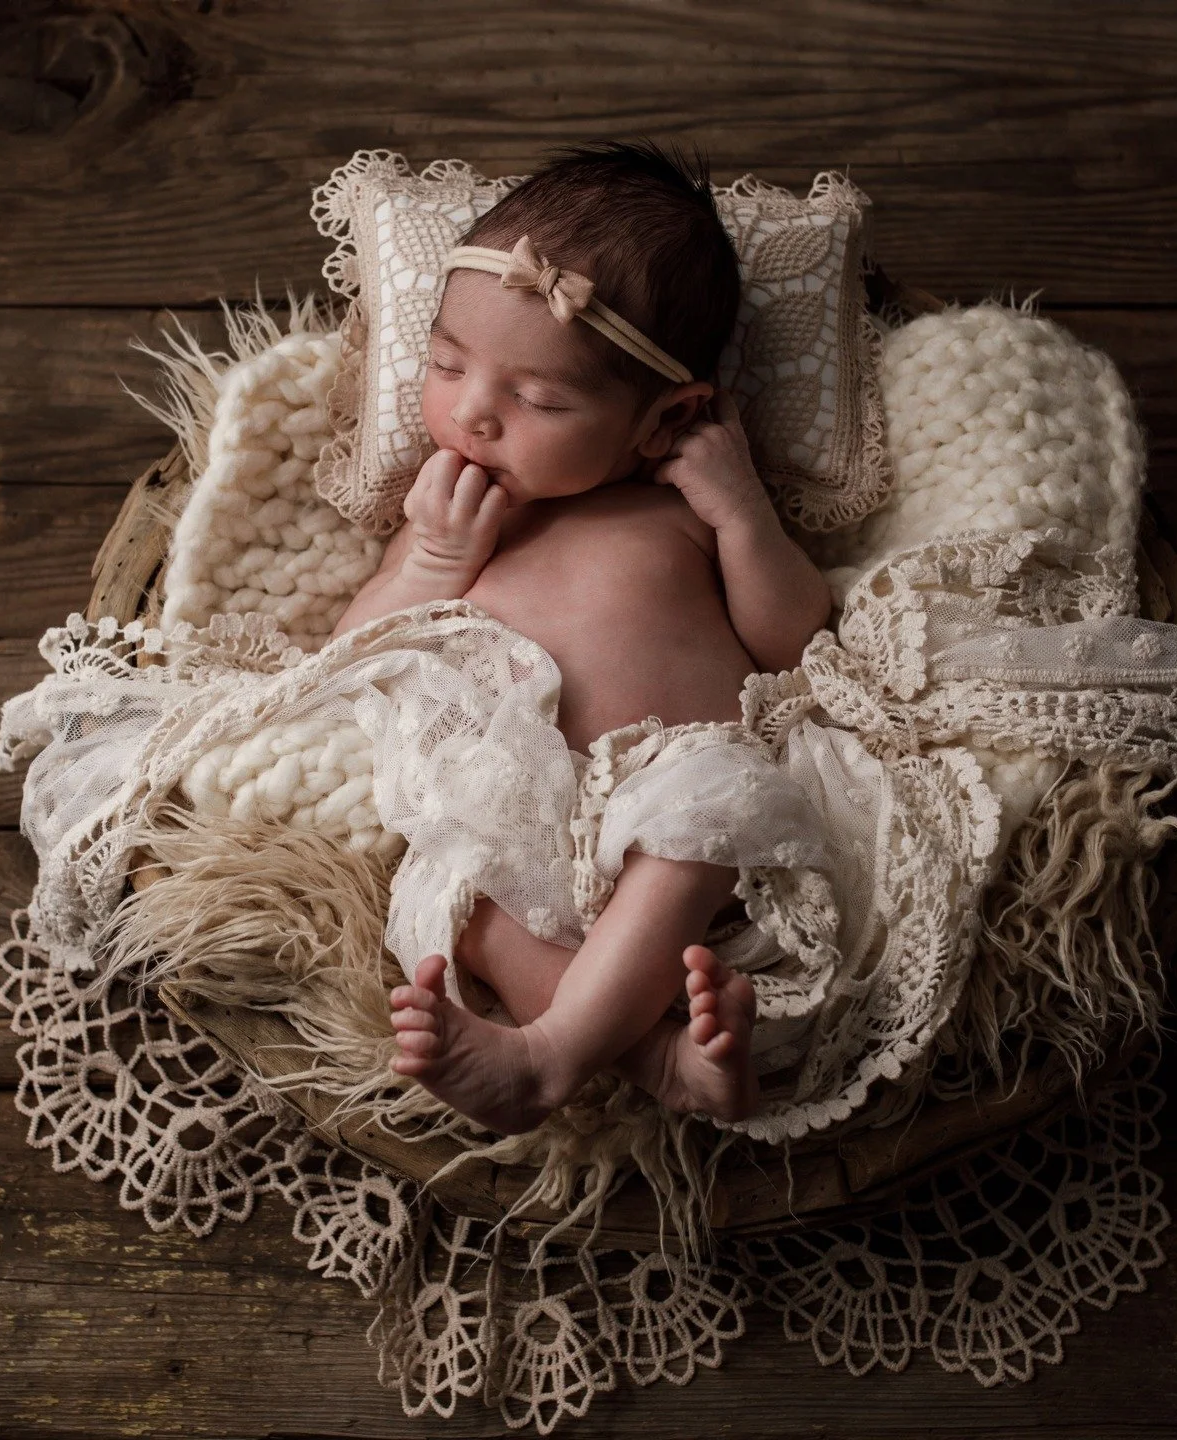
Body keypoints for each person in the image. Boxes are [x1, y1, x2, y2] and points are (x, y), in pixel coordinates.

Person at [331, 141, 832, 1135]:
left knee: (707, 807)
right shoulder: (451, 518)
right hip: (513, 817)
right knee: (461, 898)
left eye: (541, 399)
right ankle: (654, 1061)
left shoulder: (681, 506)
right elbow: (352, 659)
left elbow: (795, 640)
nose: (474, 413)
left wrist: (745, 521)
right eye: (445, 363)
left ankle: (552, 1056)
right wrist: (431, 563)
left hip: (665, 810)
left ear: (665, 419)